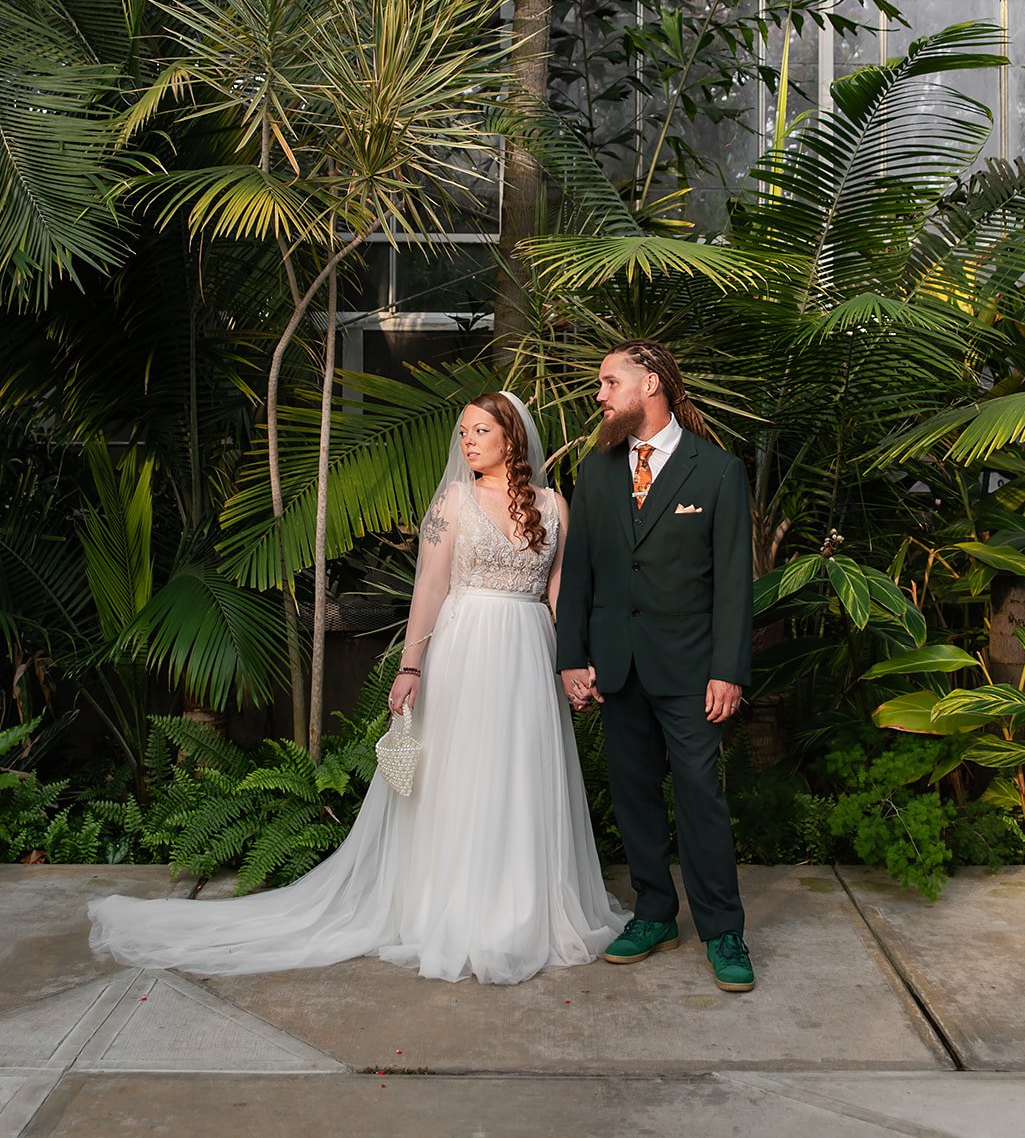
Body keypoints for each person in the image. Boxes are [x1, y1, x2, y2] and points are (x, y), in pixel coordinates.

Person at [89, 391, 626, 985]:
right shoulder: (453, 500)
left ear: (512, 438)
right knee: (461, 778)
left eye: (479, 431)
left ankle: (524, 911)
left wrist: (573, 662)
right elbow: (428, 589)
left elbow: (559, 593)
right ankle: (448, 910)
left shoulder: (553, 507)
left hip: (528, 652)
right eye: (462, 432)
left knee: (522, 776)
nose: (466, 441)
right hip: (467, 651)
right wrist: (411, 667)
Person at [556, 342, 756, 992]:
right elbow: (579, 574)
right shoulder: (596, 472)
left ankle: (724, 930)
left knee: (701, 795)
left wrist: (729, 670)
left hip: (694, 672)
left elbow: (733, 583)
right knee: (633, 794)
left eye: (609, 382)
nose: (600, 395)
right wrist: (571, 659)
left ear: (650, 384)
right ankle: (654, 913)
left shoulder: (717, 472)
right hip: (617, 666)